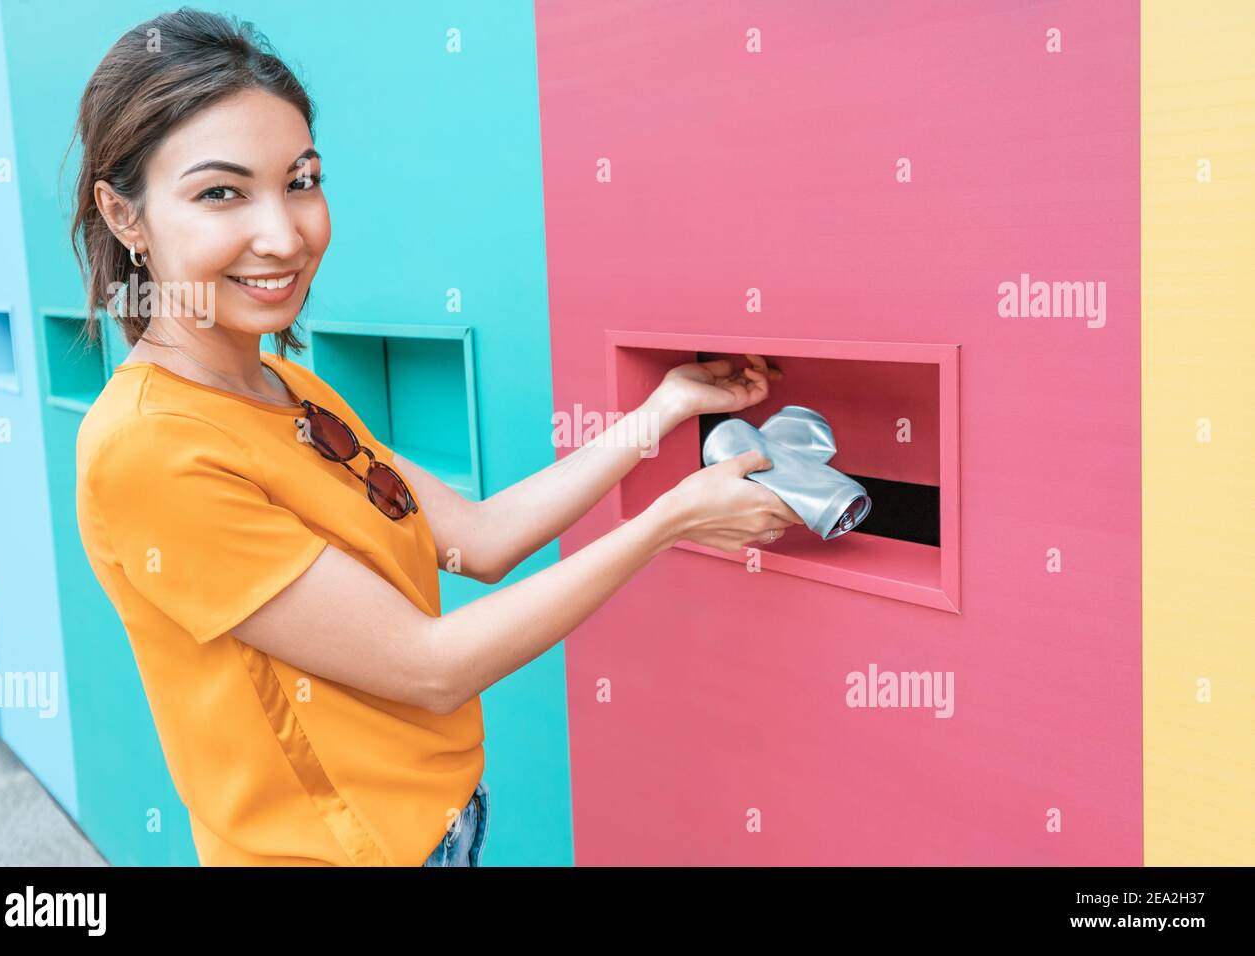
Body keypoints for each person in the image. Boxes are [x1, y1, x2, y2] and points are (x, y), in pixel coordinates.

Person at [72, 8, 803, 867]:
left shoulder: (282, 385)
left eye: (301, 180)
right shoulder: (148, 449)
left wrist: (663, 411)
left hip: (441, 822)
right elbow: (432, 665)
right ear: (124, 217)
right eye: (221, 193)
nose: (285, 233)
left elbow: (478, 539)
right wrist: (672, 521)